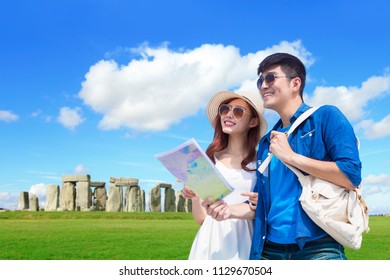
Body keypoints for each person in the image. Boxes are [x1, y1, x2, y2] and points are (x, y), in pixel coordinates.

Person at [203, 53, 362, 260]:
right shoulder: (267, 141)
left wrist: (291, 157)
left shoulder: (325, 117)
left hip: (317, 246)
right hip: (268, 248)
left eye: (270, 78)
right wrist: (228, 211)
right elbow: (260, 203)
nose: (262, 85)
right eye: (260, 80)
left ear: (295, 83)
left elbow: (351, 176)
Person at [181, 90, 267, 260]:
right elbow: (202, 219)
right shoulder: (208, 160)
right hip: (209, 241)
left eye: (238, 111)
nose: (228, 115)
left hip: (247, 239)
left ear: (253, 121)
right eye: (225, 109)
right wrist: (193, 195)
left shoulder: (263, 162)